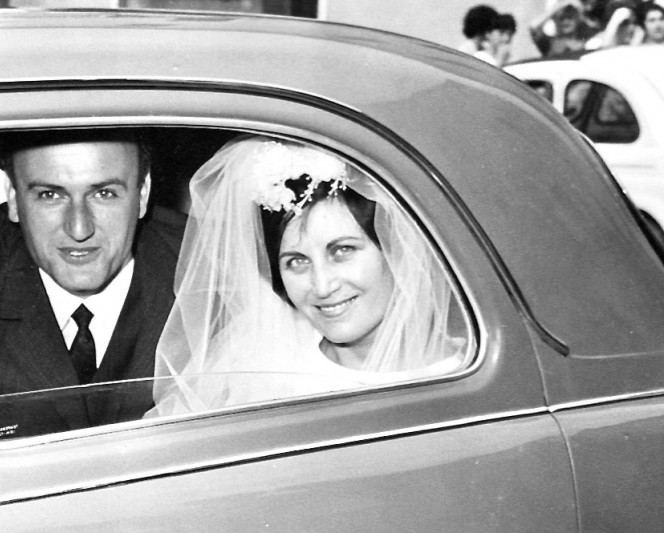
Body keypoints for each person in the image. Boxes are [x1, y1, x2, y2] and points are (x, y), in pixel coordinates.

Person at [147, 136, 469, 417]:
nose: (322, 286)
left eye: (342, 250)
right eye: (297, 261)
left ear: (395, 248)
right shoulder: (255, 369)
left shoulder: (466, 376)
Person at [0, 128, 183, 438]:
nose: (79, 229)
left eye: (104, 194)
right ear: (12, 197)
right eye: (50, 195)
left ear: (142, 194)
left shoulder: (211, 270)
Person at [530, 0, 598, 57]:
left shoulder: (586, 42)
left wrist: (581, 11)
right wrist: (559, 6)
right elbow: (534, 28)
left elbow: (598, 27)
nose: (565, 21)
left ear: (577, 19)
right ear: (554, 20)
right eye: (561, 18)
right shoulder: (549, 43)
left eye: (570, 17)